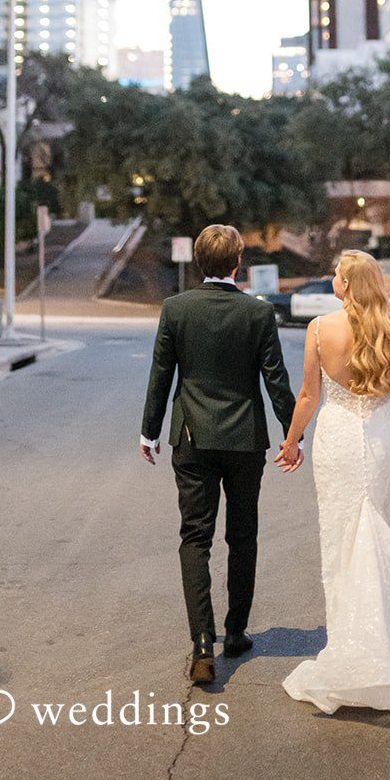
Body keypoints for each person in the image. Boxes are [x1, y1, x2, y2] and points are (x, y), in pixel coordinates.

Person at [278, 249, 390, 713]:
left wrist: (292, 442)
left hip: (336, 442)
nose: (332, 279)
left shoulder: (319, 330)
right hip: (385, 439)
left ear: (347, 286)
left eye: (336, 275)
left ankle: (356, 643)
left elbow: (309, 395)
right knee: (387, 534)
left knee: (342, 542)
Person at [140, 223, 299, 683]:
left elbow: (161, 376)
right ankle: (235, 631)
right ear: (237, 263)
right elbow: (276, 380)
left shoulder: (176, 309)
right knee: (242, 536)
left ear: (199, 261)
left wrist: (149, 432)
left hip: (191, 439)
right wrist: (294, 435)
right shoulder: (257, 313)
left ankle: (201, 646)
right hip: (245, 440)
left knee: (195, 538)